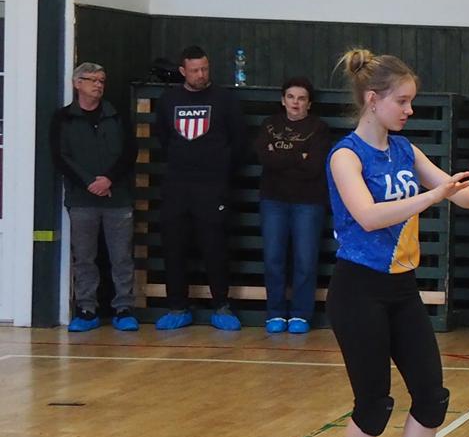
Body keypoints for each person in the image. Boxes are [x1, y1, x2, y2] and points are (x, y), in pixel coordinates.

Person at [327, 49, 469, 437]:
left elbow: (448, 187)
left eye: (412, 101)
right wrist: (431, 197)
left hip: (402, 289)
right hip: (358, 290)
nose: (410, 110)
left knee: (431, 395)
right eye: (402, 101)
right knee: (373, 403)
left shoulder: (405, 151)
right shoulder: (346, 156)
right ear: (373, 100)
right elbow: (369, 216)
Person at [152, 44, 247, 330]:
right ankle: (177, 307)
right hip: (177, 187)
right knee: (174, 247)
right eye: (195, 70)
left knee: (215, 247)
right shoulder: (168, 100)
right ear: (183, 71)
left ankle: (221, 306)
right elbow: (163, 138)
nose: (201, 74)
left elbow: (239, 141)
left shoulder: (224, 99)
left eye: (204, 68)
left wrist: (220, 170)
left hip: (213, 187)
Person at [50, 63, 138, 332]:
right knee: (84, 257)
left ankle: (124, 307)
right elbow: (60, 157)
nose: (98, 85)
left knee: (121, 256)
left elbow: (129, 152)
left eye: (102, 80)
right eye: (92, 80)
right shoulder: (63, 118)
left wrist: (108, 179)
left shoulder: (117, 115)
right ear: (77, 83)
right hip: (82, 199)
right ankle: (87, 308)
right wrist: (89, 183)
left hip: (117, 197)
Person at [256, 75, 328, 333]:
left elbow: (314, 166)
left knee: (305, 260)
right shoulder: (268, 124)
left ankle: (301, 314)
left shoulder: (319, 128)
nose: (296, 102)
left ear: (309, 103)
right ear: (282, 100)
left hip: (309, 202)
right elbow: (265, 158)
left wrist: (281, 157)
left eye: (301, 98)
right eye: (291, 97)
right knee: (273, 258)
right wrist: (299, 156)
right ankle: (275, 313)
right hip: (273, 200)